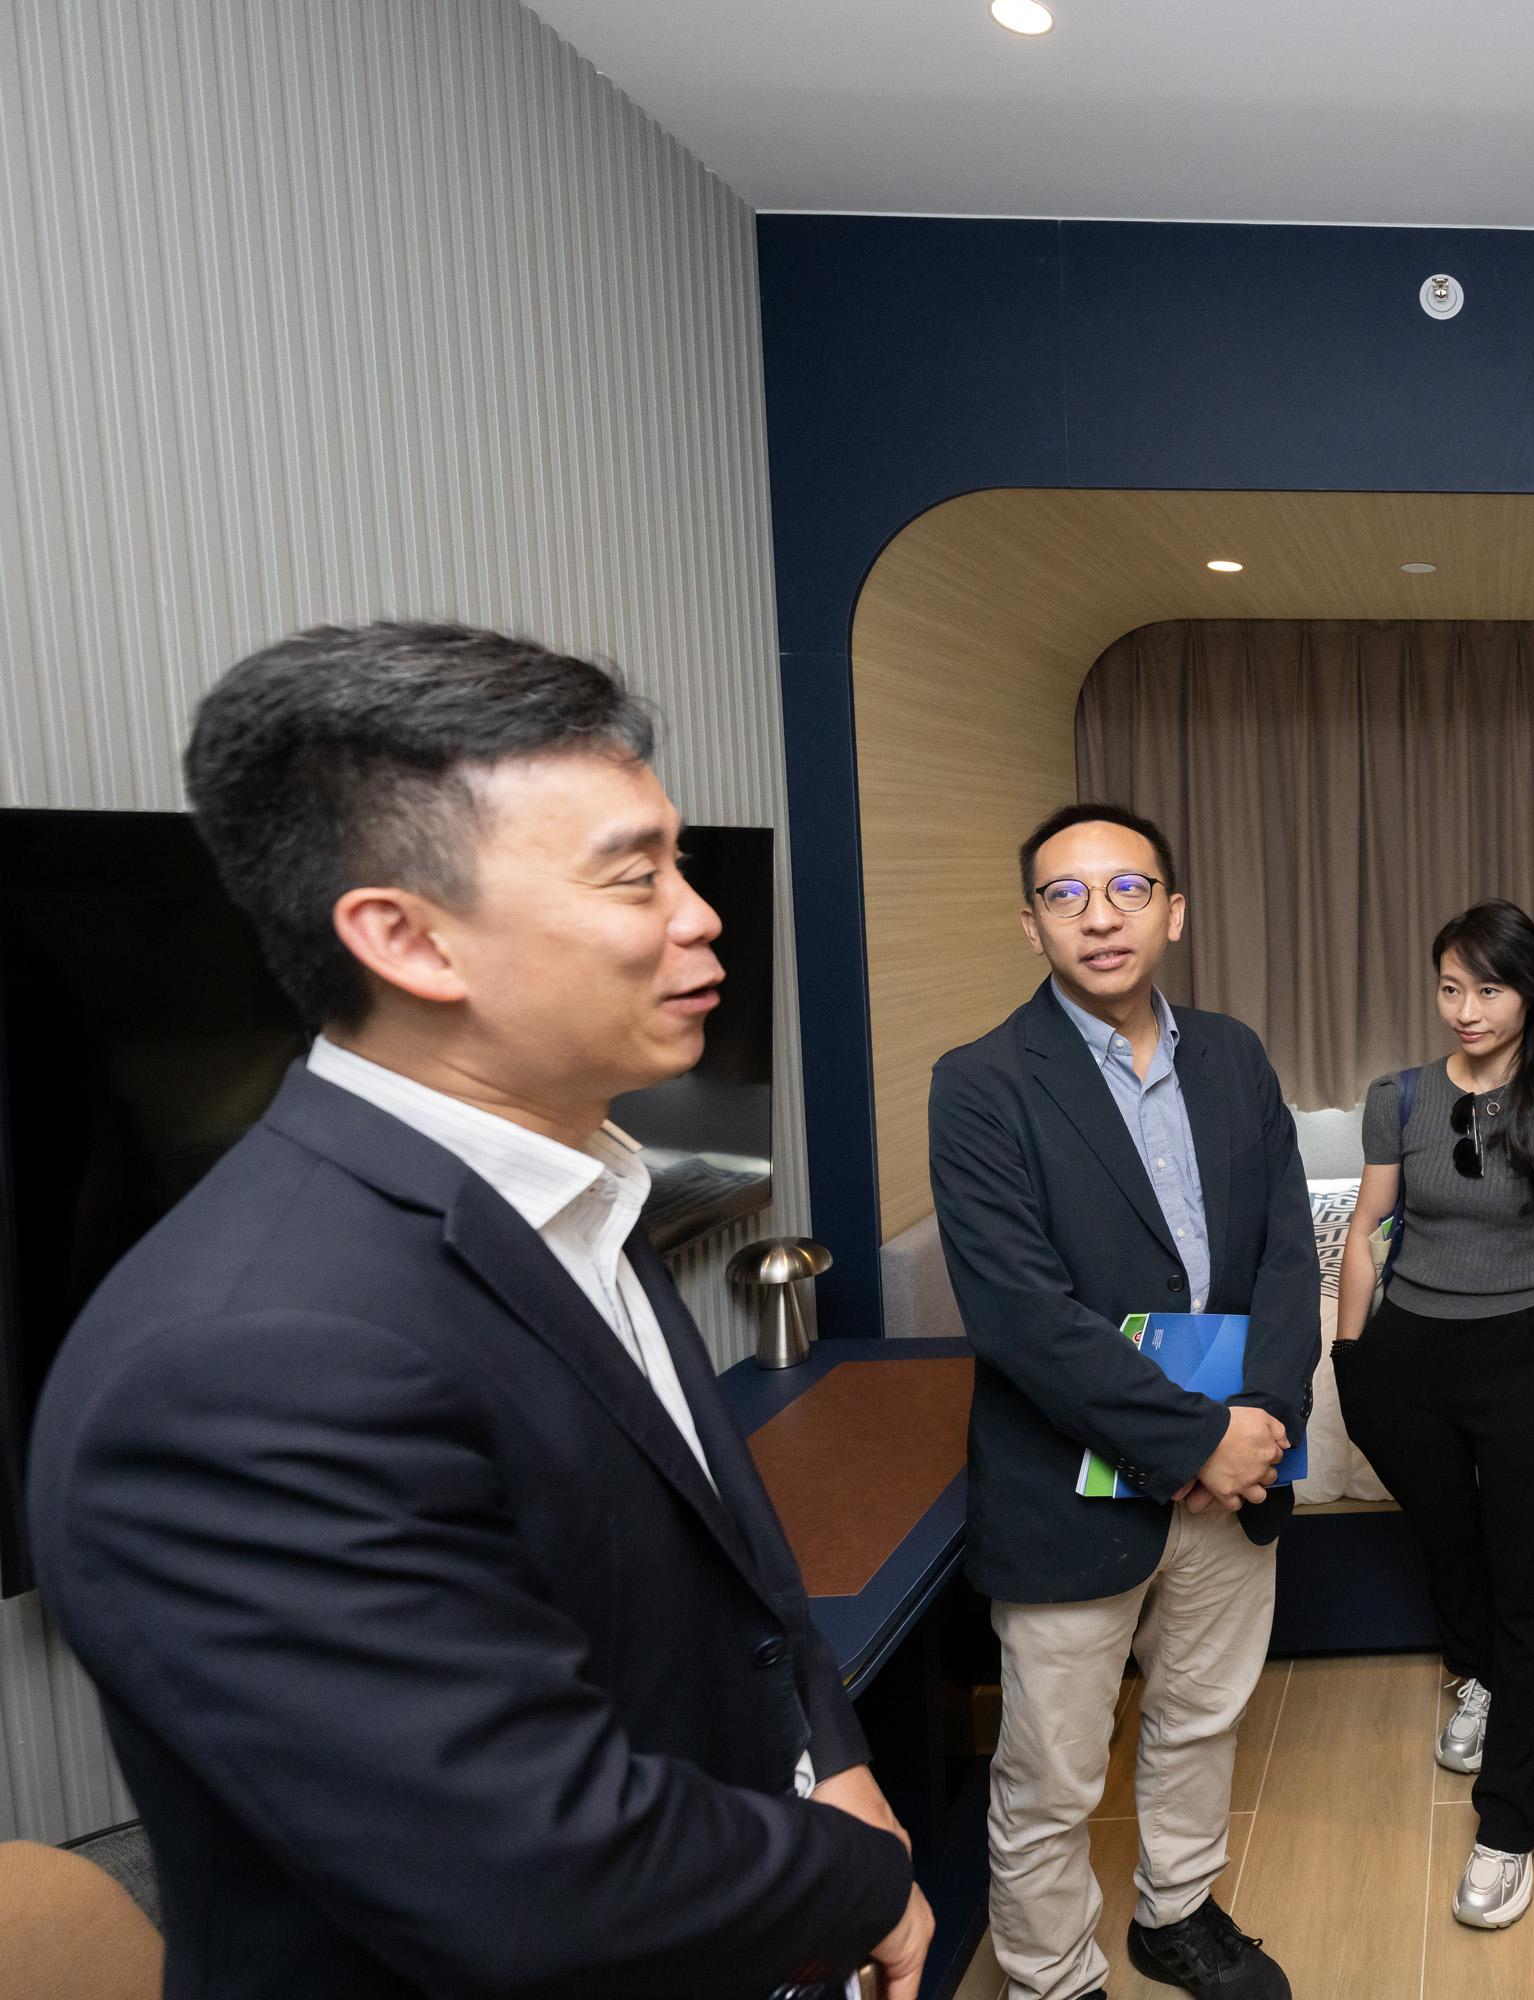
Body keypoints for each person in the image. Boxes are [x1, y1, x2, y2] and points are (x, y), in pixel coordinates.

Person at [30, 622, 927, 1998]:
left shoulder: (575, 1189)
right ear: (406, 937)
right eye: (636, 877)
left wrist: (837, 1758)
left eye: (682, 862)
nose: (700, 914)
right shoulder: (248, 1358)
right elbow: (545, 1879)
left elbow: (740, 1579)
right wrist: (856, 1878)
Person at [929, 804, 1317, 2000]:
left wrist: (1256, 1422)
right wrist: (1199, 1435)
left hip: (1236, 1468)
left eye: (1129, 888)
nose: (1101, 915)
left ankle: (1176, 1911)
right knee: (1051, 1765)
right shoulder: (983, 1083)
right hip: (1071, 1486)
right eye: (1066, 894)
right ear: (1031, 921)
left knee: (1201, 1717)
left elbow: (1287, 1254)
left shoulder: (1234, 1053)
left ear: (1175, 910)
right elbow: (1019, 1312)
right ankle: (1052, 1974)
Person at [1331, 900, 1534, 1930]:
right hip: (1405, 1354)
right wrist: (1350, 1357)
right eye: (1449, 985)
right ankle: (1479, 1674)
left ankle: (1511, 1817)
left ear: (1530, 991)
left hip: (1527, 1355)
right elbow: (1366, 1228)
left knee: (1529, 1576)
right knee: (1449, 1540)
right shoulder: (1396, 1096)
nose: (1465, 1007)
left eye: (1487, 987)